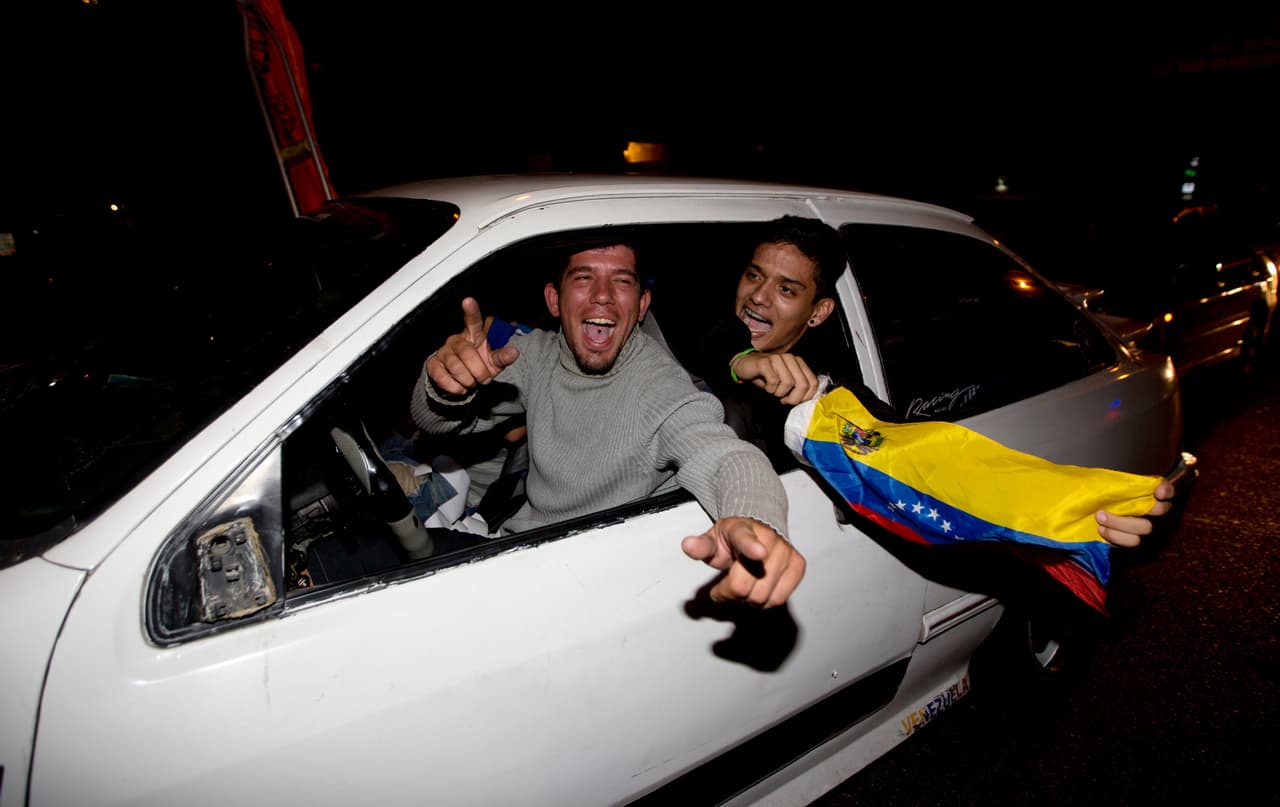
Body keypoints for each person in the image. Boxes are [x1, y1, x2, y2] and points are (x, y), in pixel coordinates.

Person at [695, 215, 1175, 547]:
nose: (758, 298)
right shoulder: (701, 329)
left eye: (786, 289)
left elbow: (921, 462)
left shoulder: (827, 396)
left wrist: (1065, 510)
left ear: (818, 313)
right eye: (754, 276)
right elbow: (711, 338)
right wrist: (743, 361)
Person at [410, 240, 805, 608]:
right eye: (584, 278)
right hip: (514, 549)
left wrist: (756, 521)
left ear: (642, 304)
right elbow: (433, 422)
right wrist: (446, 384)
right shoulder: (535, 354)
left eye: (622, 281)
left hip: (579, 584)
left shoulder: (659, 387)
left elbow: (724, 456)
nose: (602, 295)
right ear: (554, 300)